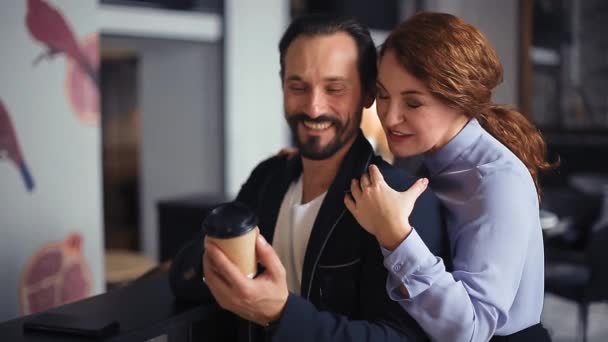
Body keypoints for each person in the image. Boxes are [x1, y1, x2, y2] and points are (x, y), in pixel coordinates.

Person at [169, 14, 451, 342]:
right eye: (298, 87)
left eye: (335, 88)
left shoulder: (401, 200)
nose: (314, 108)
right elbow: (185, 278)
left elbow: (401, 339)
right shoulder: (268, 178)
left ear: (367, 94)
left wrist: (279, 313)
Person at [344, 12, 554, 342]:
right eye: (383, 95)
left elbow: (470, 330)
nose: (390, 116)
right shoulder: (417, 156)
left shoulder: (498, 182)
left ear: (459, 100)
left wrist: (395, 235)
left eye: (413, 103)